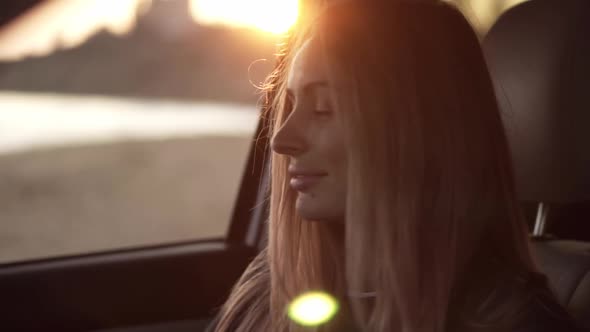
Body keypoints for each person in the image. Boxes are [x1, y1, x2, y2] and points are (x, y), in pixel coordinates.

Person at [207, 0, 584, 331]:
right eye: (291, 105)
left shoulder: (514, 322)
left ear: (420, 129)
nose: (281, 140)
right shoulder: (268, 290)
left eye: (323, 108)